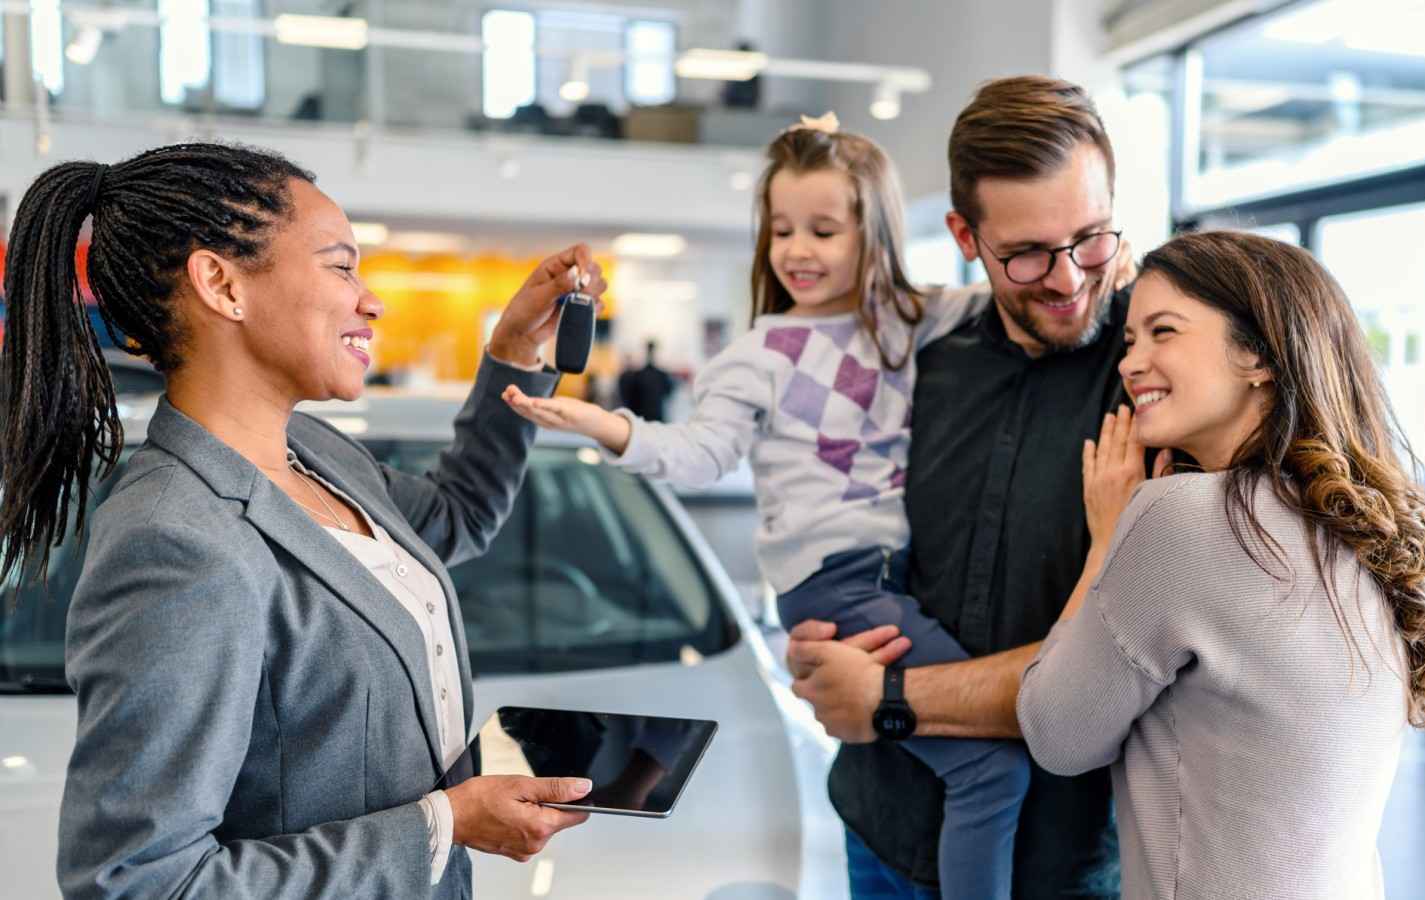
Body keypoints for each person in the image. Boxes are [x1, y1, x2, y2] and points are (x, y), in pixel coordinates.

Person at [0, 143, 603, 899]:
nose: (371, 300)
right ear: (221, 284)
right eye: (341, 267)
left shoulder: (312, 450)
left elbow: (456, 516)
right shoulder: (176, 542)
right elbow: (138, 883)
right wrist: (441, 823)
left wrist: (513, 351)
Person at [501, 114, 1023, 899]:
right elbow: (698, 454)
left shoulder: (907, 323)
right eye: (782, 230)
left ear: (873, 232)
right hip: (837, 585)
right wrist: (599, 424)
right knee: (990, 765)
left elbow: (1004, 297)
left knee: (967, 764)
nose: (798, 250)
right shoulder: (758, 357)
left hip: (897, 574)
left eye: (823, 228)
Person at [1018, 231, 1425, 899]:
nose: (1130, 363)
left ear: (1258, 353)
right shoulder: (1370, 522)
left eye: (1162, 332)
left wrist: (1104, 543)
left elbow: (1056, 733)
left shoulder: (1177, 518)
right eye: (1129, 341)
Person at [783, 76, 1139, 898]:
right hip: (882, 827)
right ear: (964, 235)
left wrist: (890, 697)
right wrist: (823, 649)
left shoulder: (1147, 379)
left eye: (1090, 238)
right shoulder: (916, 365)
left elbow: (1107, 673)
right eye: (1025, 254)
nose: (1067, 280)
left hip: (1058, 863)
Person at [617, 339, 675, 421]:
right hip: (654, 416)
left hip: (644, 417)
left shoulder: (639, 375)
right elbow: (668, 392)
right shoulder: (659, 375)